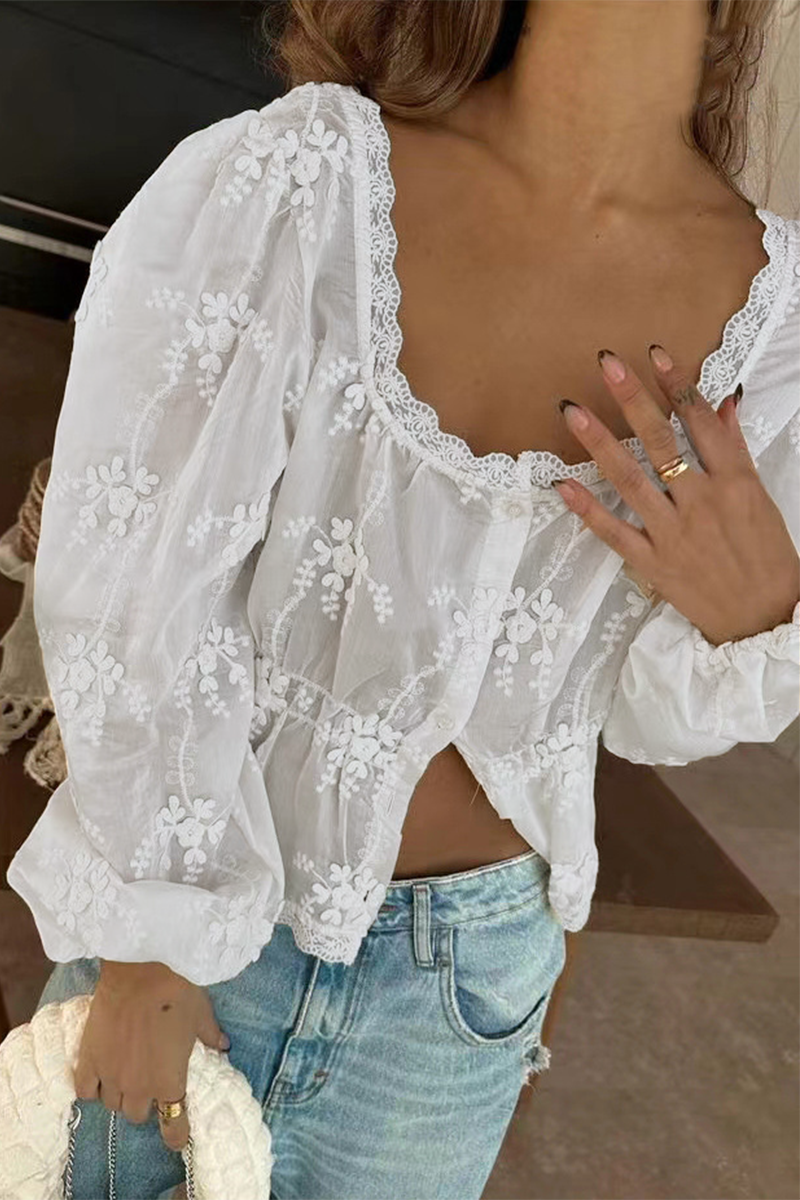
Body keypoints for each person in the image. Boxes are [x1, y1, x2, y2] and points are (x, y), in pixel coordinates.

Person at [8, 1, 800, 1197]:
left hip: (455, 1007)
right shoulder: (296, 181)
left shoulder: (778, 332)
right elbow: (134, 593)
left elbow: (647, 715)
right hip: (200, 950)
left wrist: (757, 618)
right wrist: (149, 955)